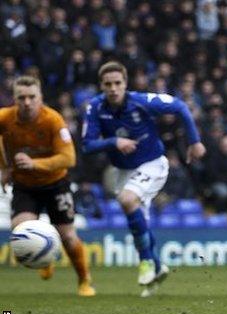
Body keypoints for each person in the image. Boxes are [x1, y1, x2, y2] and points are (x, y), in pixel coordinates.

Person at [82, 61, 206, 297]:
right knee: (139, 222)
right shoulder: (95, 107)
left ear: (125, 84)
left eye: (117, 83)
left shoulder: (141, 101)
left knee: (127, 200)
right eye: (108, 84)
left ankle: (146, 263)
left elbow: (179, 106)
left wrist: (194, 141)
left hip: (152, 164)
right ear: (101, 86)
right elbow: (87, 145)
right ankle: (158, 266)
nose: (113, 88)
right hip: (123, 171)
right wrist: (114, 142)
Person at [0, 76, 95, 297]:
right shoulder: (5, 118)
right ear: (14, 99)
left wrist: (35, 163)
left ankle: (84, 280)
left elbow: (69, 158)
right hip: (25, 185)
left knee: (68, 236)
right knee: (20, 229)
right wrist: (4, 167)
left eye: (32, 97)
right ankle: (44, 258)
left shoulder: (53, 120)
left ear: (40, 97)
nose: (27, 102)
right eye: (21, 97)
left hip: (55, 184)